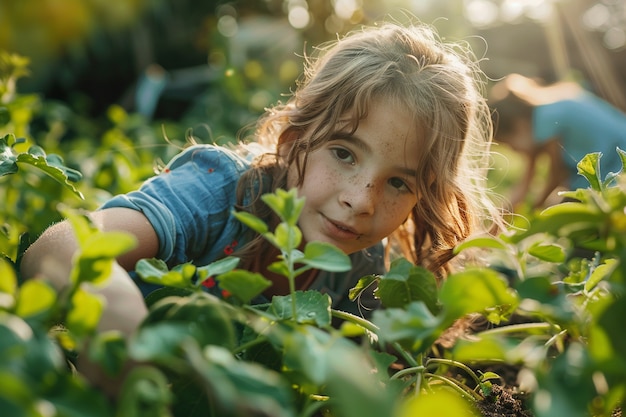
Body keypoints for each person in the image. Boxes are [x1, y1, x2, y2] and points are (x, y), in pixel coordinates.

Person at [20, 21, 503, 343]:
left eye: (399, 183)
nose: (360, 200)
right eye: (343, 153)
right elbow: (55, 249)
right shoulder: (221, 192)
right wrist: (116, 312)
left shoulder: (363, 262)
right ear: (295, 142)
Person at [489, 73, 626, 209]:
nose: (515, 150)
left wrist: (535, 210)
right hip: (613, 162)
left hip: (618, 165)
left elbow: (555, 177)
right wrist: (502, 214)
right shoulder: (549, 108)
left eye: (510, 145)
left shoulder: (546, 119)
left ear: (519, 126)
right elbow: (525, 183)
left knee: (562, 209)